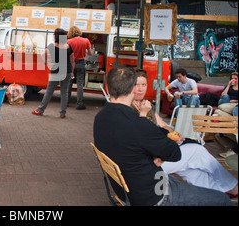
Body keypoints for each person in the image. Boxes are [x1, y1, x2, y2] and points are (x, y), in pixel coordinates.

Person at [93, 65, 231, 206]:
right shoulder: (139, 124)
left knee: (190, 174)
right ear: (132, 89)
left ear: (108, 87)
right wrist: (158, 153)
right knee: (222, 200)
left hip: (129, 190)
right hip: (154, 195)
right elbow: (175, 153)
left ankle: (224, 187)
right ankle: (229, 189)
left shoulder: (101, 117)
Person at [132, 69, 238, 198]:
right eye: (136, 85)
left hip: (159, 152)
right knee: (197, 152)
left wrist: (173, 135)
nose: (140, 89)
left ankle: (215, 194)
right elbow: (138, 136)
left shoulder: (147, 105)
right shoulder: (130, 109)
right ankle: (233, 187)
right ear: (129, 86)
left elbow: (164, 126)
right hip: (150, 162)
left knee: (192, 169)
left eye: (144, 85)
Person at [32, 28, 74, 118]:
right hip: (67, 71)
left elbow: (42, 54)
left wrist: (46, 63)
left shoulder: (52, 46)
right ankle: (63, 113)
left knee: (49, 91)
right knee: (64, 92)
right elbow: (72, 61)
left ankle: (40, 110)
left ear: (56, 36)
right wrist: (72, 72)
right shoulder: (68, 47)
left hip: (56, 71)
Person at [67, 25, 92, 110]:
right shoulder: (86, 40)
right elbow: (90, 53)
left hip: (70, 65)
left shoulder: (68, 41)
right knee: (80, 85)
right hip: (81, 64)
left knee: (69, 84)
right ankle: (79, 104)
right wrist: (84, 50)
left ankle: (66, 103)